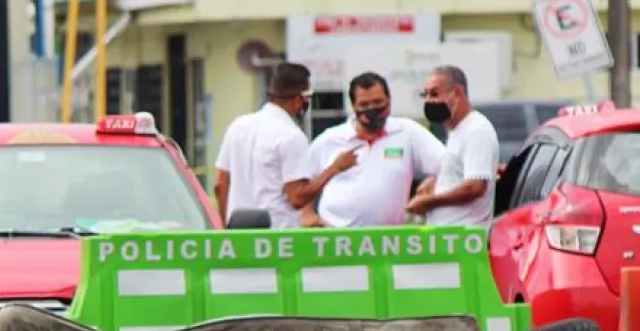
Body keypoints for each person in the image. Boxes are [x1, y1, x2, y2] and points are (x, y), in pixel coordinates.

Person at [300, 72, 447, 227]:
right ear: (353, 106)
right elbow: (302, 184)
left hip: (388, 239)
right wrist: (307, 214)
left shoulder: (407, 132)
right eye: (364, 105)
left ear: (389, 101)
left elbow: (449, 164)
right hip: (336, 236)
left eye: (377, 102)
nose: (372, 109)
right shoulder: (329, 140)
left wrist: (433, 180)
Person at [213, 62, 325, 229]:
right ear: (298, 100)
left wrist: (226, 228)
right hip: (276, 237)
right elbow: (297, 198)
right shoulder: (291, 136)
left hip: (238, 233)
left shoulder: (238, 126)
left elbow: (220, 185)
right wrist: (334, 170)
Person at [406, 65, 501, 227]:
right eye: (426, 95)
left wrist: (429, 202)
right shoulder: (457, 131)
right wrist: (435, 182)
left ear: (457, 93)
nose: (429, 101)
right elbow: (458, 174)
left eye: (435, 94)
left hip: (463, 239)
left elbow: (475, 187)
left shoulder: (476, 131)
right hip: (450, 238)